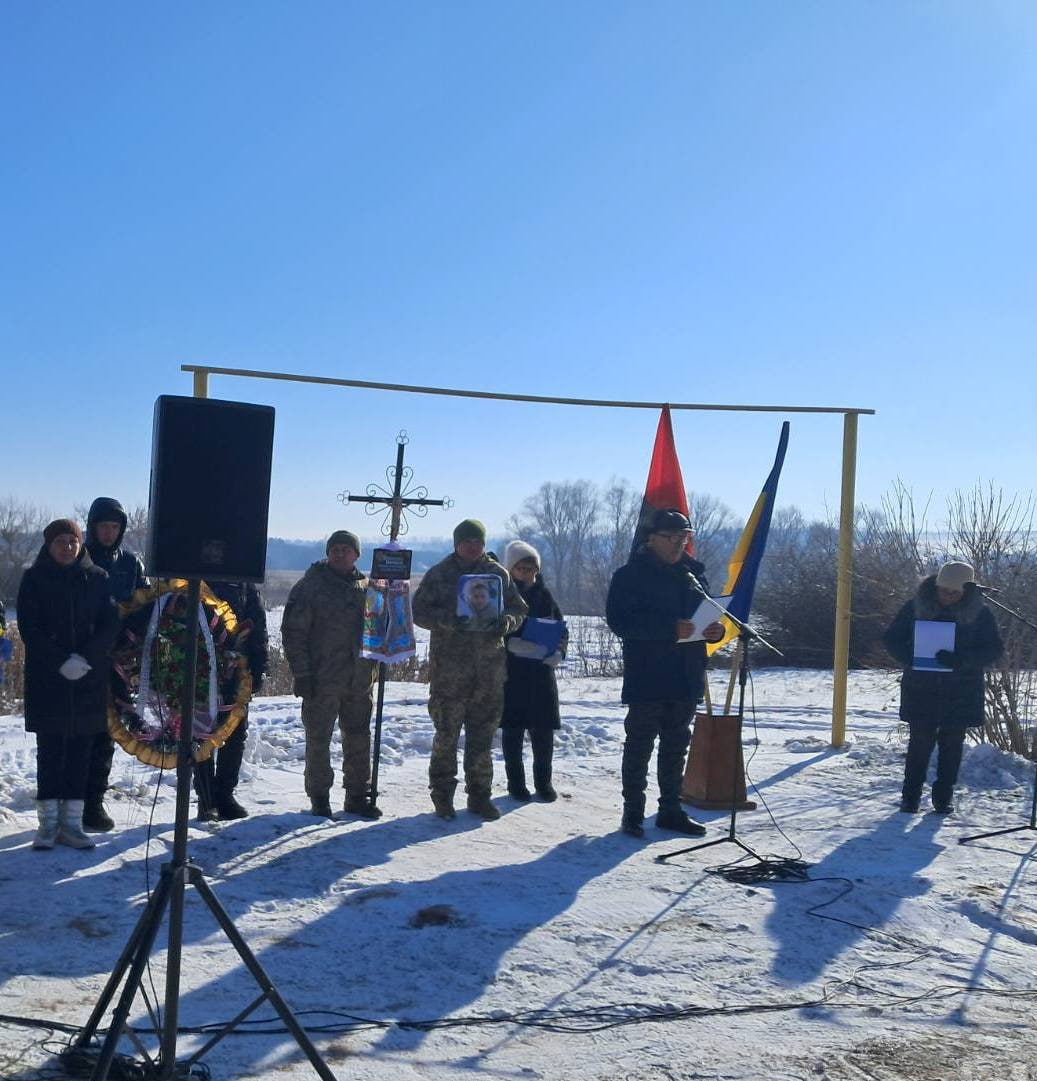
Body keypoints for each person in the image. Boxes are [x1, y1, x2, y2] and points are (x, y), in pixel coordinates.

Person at [605, 508, 725, 838]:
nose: (678, 544)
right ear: (651, 539)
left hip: (685, 672)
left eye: (683, 538)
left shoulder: (693, 574)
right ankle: (633, 813)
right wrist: (669, 629)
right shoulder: (629, 576)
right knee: (640, 744)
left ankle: (670, 809)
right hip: (648, 672)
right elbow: (620, 622)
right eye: (671, 538)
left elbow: (704, 616)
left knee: (676, 745)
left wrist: (715, 631)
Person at [412, 519, 527, 821]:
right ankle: (442, 796)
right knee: (446, 736)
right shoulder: (440, 574)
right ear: (456, 543)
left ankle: (479, 796)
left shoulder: (497, 574)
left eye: (477, 541)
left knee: (482, 738)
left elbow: (519, 609)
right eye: (467, 541)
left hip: (488, 672)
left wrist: (505, 623)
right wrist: (448, 620)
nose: (472, 546)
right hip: (450, 672)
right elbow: (419, 611)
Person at [16, 519, 118, 850]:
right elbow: (29, 626)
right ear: (49, 545)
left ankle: (72, 825)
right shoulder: (34, 579)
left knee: (80, 753)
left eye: (72, 541)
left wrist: (85, 658)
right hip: (50, 679)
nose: (67, 547)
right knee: (51, 752)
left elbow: (109, 623)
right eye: (60, 541)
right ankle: (47, 825)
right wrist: (60, 660)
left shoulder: (98, 579)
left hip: (88, 680)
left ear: (80, 544)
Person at [883, 560, 1003, 814]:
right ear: (935, 586)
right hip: (921, 686)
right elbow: (892, 638)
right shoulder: (915, 606)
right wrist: (912, 658)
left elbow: (993, 648)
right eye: (943, 590)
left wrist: (963, 660)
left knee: (952, 744)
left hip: (961, 689)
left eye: (954, 592)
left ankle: (943, 798)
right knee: (920, 742)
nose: (947, 596)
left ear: (966, 591)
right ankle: (910, 797)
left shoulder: (980, 613)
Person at [281, 530, 378, 819]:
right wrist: (302, 674)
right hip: (322, 679)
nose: (340, 553)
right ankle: (319, 797)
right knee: (319, 738)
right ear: (328, 553)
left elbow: (380, 630)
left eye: (346, 549)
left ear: (356, 555)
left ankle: (358, 795)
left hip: (359, 680)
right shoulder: (310, 587)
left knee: (359, 737)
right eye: (335, 549)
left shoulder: (368, 588)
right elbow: (294, 634)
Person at [82, 496, 149, 831]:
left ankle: (93, 802)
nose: (108, 533)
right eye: (103, 526)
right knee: (79, 731)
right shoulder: (77, 558)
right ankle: (69, 801)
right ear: (92, 527)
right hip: (82, 658)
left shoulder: (130, 563)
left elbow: (146, 603)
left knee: (107, 731)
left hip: (119, 659)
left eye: (114, 527)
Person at [193, 579, 268, 821]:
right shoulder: (195, 575)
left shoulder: (244, 583)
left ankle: (225, 796)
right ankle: (206, 800)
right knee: (202, 734)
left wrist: (259, 667)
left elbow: (258, 628)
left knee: (235, 734)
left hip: (238, 668)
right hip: (199, 666)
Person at [500, 540, 567, 802]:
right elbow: (493, 627)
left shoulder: (545, 595)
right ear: (511, 569)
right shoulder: (504, 595)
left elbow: (561, 628)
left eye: (531, 569)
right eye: (522, 568)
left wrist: (559, 651)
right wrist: (510, 643)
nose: (527, 574)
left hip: (541, 673)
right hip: (513, 673)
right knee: (513, 731)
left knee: (543, 732)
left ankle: (544, 782)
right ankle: (516, 783)